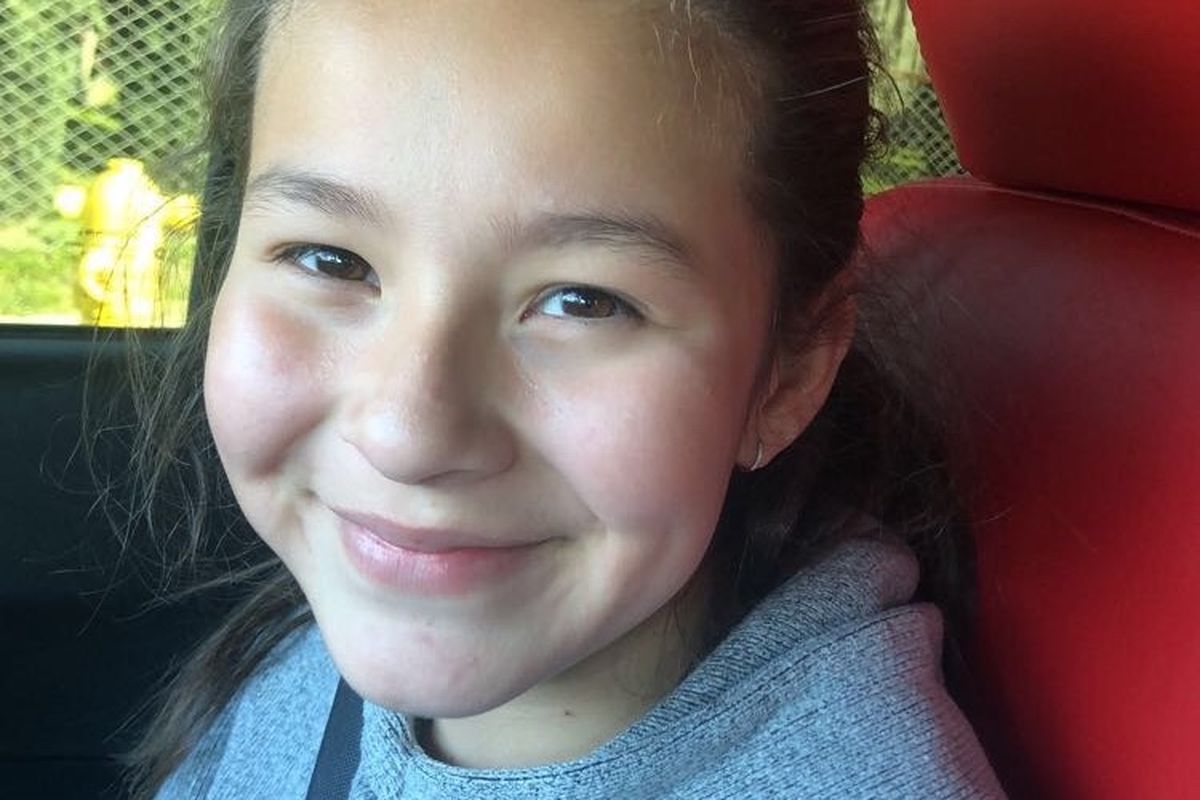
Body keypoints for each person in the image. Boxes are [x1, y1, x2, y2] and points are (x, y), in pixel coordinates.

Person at [123, 0, 1007, 797]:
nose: (406, 435)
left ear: (792, 366)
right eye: (331, 261)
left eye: (584, 302)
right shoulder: (297, 650)